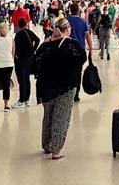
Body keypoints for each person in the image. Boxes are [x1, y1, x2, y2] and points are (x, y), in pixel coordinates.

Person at [33, 18, 86, 160]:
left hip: (46, 86)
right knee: (61, 117)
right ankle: (56, 150)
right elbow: (82, 58)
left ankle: (46, 144)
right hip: (66, 86)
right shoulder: (71, 44)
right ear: (67, 29)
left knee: (48, 116)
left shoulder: (45, 45)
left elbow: (35, 64)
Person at [65, 3, 92, 103]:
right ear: (79, 11)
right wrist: (90, 47)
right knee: (78, 72)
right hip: (80, 50)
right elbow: (87, 35)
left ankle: (68, 92)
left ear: (70, 10)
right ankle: (76, 95)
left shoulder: (66, 20)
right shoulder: (83, 21)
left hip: (67, 49)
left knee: (67, 71)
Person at [13, 18, 40, 109]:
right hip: (30, 59)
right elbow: (38, 40)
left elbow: (15, 47)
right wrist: (33, 50)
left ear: (18, 25)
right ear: (26, 24)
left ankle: (21, 100)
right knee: (27, 80)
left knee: (21, 80)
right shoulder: (29, 32)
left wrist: (16, 56)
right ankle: (27, 100)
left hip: (21, 60)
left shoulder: (18, 34)